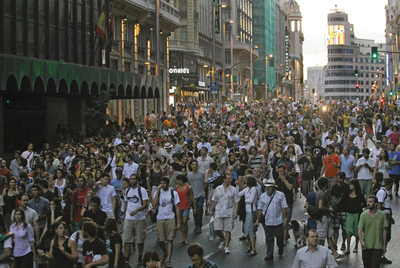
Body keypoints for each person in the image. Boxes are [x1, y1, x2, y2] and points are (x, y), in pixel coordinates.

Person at [255, 178, 288, 260]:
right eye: (266, 187)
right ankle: (270, 253)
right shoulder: (262, 196)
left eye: (269, 187)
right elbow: (259, 209)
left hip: (278, 221)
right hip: (268, 221)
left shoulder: (280, 195)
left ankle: (280, 247)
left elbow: (284, 207)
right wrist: (257, 220)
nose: (267, 188)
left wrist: (285, 218)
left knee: (279, 237)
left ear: (274, 187)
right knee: (269, 238)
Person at [152, 176, 181, 268]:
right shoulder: (158, 192)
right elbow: (154, 204)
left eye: (164, 183)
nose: (163, 185)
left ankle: (168, 259)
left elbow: (177, 208)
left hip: (170, 218)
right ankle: (165, 252)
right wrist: (157, 191)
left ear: (167, 184)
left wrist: (178, 222)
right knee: (161, 240)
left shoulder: (173, 193)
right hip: (160, 218)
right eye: (161, 183)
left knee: (170, 239)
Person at [210, 173, 239, 255]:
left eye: (231, 179)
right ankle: (223, 239)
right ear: (224, 179)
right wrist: (211, 210)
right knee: (217, 229)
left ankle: (226, 246)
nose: (230, 180)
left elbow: (236, 201)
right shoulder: (218, 189)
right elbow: (214, 200)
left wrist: (235, 212)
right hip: (219, 211)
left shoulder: (233, 189)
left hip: (229, 211)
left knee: (227, 229)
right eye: (228, 179)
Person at [123, 173, 149, 266]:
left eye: (134, 179)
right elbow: (126, 204)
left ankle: (140, 257)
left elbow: (145, 204)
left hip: (139, 218)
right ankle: (126, 258)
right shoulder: (127, 191)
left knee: (140, 239)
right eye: (131, 179)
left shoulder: (141, 190)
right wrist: (125, 216)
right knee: (126, 239)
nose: (132, 180)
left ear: (137, 180)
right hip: (129, 218)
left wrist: (137, 210)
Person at [315, 177, 342, 259]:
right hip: (323, 217)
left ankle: (334, 253)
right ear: (325, 184)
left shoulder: (320, 193)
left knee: (329, 236)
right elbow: (320, 206)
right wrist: (329, 209)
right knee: (322, 237)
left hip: (326, 217)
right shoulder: (322, 194)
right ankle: (320, 255)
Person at [358, 195, 388, 268]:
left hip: (377, 246)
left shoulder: (382, 215)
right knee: (367, 265)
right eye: (367, 201)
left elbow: (384, 230)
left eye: (370, 202)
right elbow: (360, 229)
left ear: (376, 204)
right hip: (366, 246)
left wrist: (384, 246)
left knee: (375, 266)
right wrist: (361, 240)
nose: (368, 203)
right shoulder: (363, 215)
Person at [342, 180, 366, 254]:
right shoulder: (347, 194)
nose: (350, 186)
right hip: (349, 214)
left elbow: (364, 203)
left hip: (357, 214)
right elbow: (344, 202)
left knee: (357, 231)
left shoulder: (359, 195)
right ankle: (348, 247)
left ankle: (356, 246)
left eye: (351, 184)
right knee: (348, 230)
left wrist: (360, 206)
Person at [235, 176, 257, 256]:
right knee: (246, 230)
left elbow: (251, 200)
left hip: (251, 211)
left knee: (250, 230)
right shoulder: (247, 189)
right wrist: (237, 186)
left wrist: (244, 200)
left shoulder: (254, 189)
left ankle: (253, 248)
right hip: (246, 212)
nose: (245, 181)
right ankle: (250, 245)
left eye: (246, 180)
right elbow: (237, 194)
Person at [330, 171, 350, 251]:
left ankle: (343, 242)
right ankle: (335, 243)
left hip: (344, 209)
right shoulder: (334, 187)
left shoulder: (347, 187)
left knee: (344, 229)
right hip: (336, 211)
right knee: (335, 228)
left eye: (341, 179)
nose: (339, 180)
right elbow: (331, 197)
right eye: (338, 179)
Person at [376, 178, 394, 264]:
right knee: (384, 236)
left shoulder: (385, 192)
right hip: (384, 216)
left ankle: (381, 254)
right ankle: (380, 255)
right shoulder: (382, 192)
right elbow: (379, 205)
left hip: (387, 215)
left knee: (387, 236)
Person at [176, 174, 196, 245]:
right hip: (179, 205)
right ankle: (183, 238)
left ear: (181, 180)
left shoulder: (188, 187)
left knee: (185, 221)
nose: (177, 181)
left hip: (186, 206)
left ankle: (186, 238)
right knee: (181, 222)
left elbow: (192, 197)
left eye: (178, 180)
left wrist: (194, 207)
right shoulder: (177, 187)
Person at [187, 160, 205, 234]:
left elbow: (205, 183)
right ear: (191, 165)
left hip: (200, 194)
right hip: (193, 196)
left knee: (199, 209)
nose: (194, 166)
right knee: (194, 211)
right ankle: (196, 224)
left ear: (197, 165)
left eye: (195, 164)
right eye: (193, 164)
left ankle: (199, 226)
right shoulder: (189, 175)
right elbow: (188, 186)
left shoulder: (202, 174)